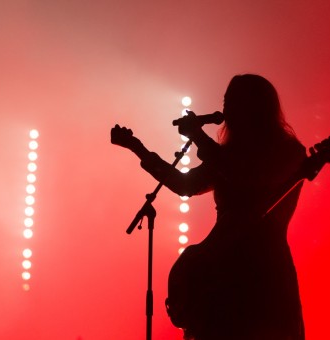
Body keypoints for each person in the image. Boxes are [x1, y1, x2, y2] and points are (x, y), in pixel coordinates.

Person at [111, 74, 306, 340]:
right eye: (225, 102)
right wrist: (138, 148)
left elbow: (245, 177)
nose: (225, 111)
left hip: (264, 275)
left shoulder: (287, 151)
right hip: (221, 277)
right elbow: (185, 184)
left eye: (231, 102)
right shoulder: (229, 153)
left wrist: (199, 137)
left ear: (253, 107)